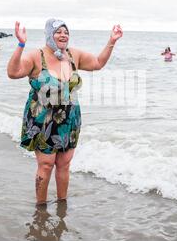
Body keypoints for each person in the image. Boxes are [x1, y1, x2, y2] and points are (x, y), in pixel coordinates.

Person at [7, 19, 123, 205]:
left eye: (66, 32)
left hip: (70, 120)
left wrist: (112, 41)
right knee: (45, 166)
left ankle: (62, 204)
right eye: (58, 31)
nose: (63, 35)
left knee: (64, 165)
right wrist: (21, 44)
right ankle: (41, 207)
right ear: (48, 34)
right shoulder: (36, 56)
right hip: (43, 121)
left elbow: (98, 63)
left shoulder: (72, 55)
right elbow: (13, 73)